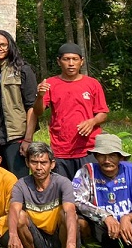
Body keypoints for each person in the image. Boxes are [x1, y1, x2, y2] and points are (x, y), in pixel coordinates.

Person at [72, 134, 132, 248]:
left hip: (130, 226)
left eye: (112, 156)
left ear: (121, 157)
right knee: (78, 222)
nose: (107, 161)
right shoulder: (87, 171)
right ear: (95, 156)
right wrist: (105, 216)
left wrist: (128, 218)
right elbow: (75, 199)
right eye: (102, 156)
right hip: (101, 226)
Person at [37, 43, 109, 180]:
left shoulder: (92, 84)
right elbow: (38, 111)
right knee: (65, 193)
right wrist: (40, 96)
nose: (71, 63)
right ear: (59, 61)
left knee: (91, 190)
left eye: (75, 59)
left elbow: (103, 113)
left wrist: (92, 122)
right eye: (66, 59)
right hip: (61, 149)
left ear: (81, 62)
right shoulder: (50, 84)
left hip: (88, 149)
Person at [7, 142, 81, 248]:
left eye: (43, 163)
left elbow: (70, 212)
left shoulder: (63, 183)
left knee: (67, 214)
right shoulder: (21, 185)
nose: (39, 167)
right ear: (27, 163)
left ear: (52, 164)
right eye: (34, 162)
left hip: (59, 236)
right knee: (19, 216)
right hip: (37, 238)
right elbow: (14, 209)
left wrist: (71, 245)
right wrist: (13, 235)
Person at [0, 30, 41, 178]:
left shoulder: (23, 70)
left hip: (16, 136)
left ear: (10, 47)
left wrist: (27, 139)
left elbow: (31, 106)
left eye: (3, 45)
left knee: (18, 182)